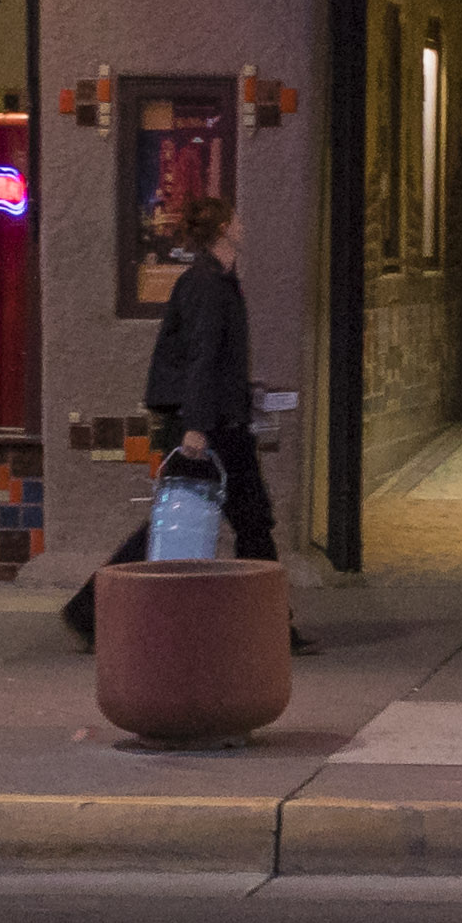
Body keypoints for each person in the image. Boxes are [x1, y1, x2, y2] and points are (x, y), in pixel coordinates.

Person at [60, 188, 285, 647]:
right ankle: (90, 609)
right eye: (236, 220)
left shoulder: (219, 280)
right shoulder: (205, 285)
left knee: (248, 520)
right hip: (209, 425)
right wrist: (196, 427)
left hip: (221, 419)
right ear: (223, 229)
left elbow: (215, 360)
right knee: (191, 522)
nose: (243, 225)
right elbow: (201, 359)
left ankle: (270, 627)